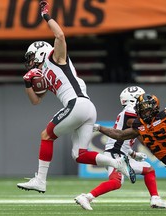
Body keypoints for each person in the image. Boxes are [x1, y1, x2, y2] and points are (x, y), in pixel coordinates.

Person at [17, 0, 135, 194]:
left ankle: (40, 180)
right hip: (87, 108)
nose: (30, 63)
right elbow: (35, 101)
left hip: (77, 104)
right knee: (79, 155)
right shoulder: (45, 74)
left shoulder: (54, 58)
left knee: (46, 135)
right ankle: (117, 162)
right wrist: (27, 83)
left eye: (31, 58)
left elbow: (60, 35)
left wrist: (46, 15)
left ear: (39, 53)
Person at [75, 86, 166, 210]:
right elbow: (138, 129)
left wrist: (132, 154)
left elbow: (132, 134)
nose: (144, 103)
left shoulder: (132, 113)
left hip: (121, 152)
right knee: (116, 182)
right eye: (141, 99)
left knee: (149, 170)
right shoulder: (130, 110)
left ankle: (155, 199)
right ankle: (86, 197)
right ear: (134, 99)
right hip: (115, 154)